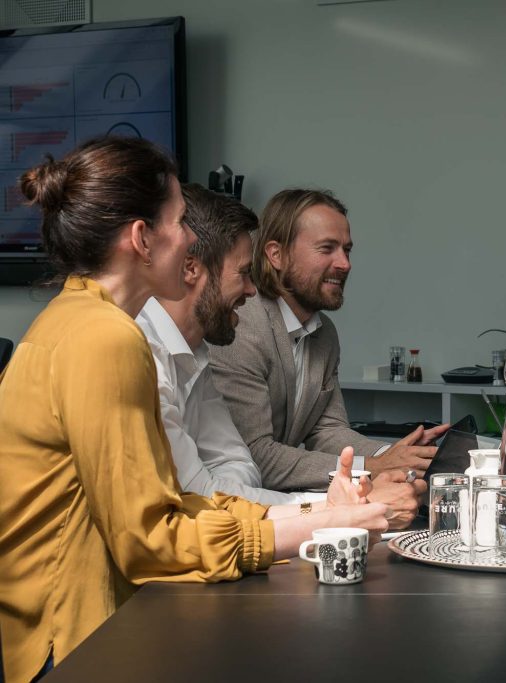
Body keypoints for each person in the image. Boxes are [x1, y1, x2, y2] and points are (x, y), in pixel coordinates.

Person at [0, 138, 389, 683]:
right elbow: (151, 543)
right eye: (182, 221)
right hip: (72, 644)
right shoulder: (104, 340)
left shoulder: (75, 319)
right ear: (141, 238)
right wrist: (316, 527)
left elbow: (172, 502)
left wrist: (319, 516)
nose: (190, 241)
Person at [208, 188, 447, 493]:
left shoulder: (325, 333)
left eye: (346, 250)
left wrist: (396, 455)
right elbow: (257, 456)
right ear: (276, 254)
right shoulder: (242, 325)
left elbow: (328, 430)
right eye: (327, 249)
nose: (344, 263)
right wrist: (372, 468)